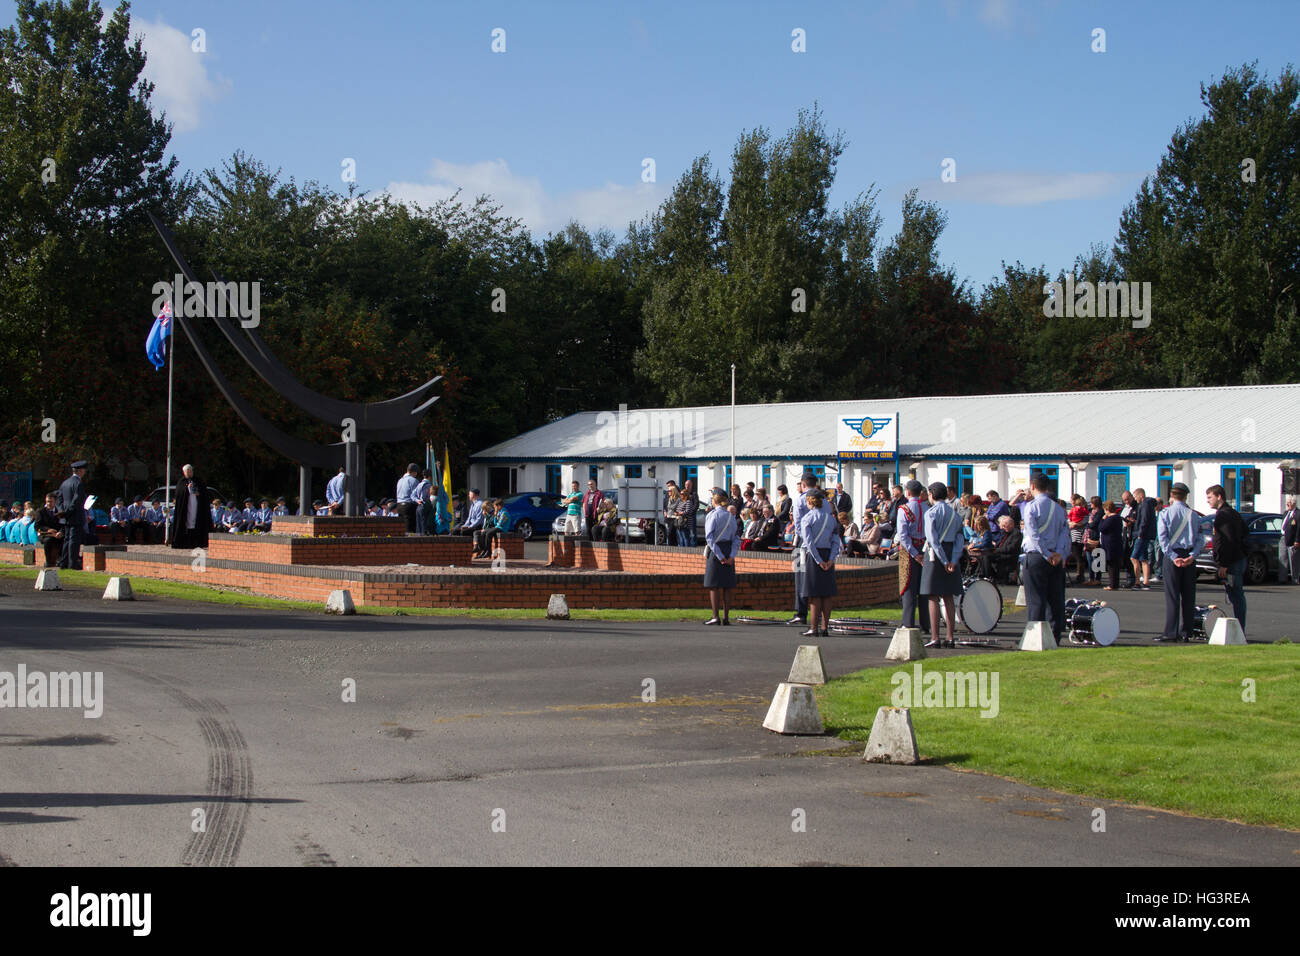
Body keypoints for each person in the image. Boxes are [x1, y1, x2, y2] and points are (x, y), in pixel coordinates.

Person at [1021, 473, 1068, 644]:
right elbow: (1064, 533)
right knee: (1055, 599)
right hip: (1056, 556)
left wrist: (1047, 554)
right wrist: (1059, 553)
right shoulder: (1058, 508)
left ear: (1032, 486)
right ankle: (1054, 637)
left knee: (1036, 600)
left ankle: (1035, 639)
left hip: (1037, 556)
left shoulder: (1031, 507)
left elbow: (1033, 535)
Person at [1155, 483, 1204, 642]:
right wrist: (1192, 556)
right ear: (1185, 496)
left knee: (1172, 596)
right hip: (1189, 555)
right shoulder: (1194, 515)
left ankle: (1171, 632)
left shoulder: (1165, 513)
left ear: (1172, 495)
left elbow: (1162, 539)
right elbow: (1200, 539)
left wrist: (1173, 556)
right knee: (1189, 596)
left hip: (1172, 556)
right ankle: (1187, 632)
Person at [920, 483, 964, 648]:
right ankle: (950, 637)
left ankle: (935, 637)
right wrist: (953, 559)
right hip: (952, 550)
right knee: (948, 596)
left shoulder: (931, 513)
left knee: (932, 595)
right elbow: (960, 539)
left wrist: (944, 560)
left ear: (931, 494)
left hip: (936, 555)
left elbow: (932, 539)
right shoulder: (955, 514)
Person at [798, 489, 841, 638]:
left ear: (809, 502)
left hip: (814, 556)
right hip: (828, 554)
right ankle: (825, 627)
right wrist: (830, 559)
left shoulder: (807, 518)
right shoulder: (831, 519)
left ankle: (813, 627)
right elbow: (836, 540)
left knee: (814, 594)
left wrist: (819, 560)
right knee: (827, 593)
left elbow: (808, 542)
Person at [1205, 484, 1247, 633]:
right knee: (1236, 596)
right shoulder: (1233, 512)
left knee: (1236, 597)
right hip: (1238, 558)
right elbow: (1244, 532)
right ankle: (1239, 628)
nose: (1208, 501)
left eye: (1210, 497)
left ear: (1219, 497)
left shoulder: (1223, 514)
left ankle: (1239, 631)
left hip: (1232, 561)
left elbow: (1228, 540)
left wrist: (1224, 564)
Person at [895, 479, 931, 632]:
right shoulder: (927, 507)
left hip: (910, 551)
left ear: (908, 492)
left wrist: (915, 554)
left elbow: (903, 535)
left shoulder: (904, 509)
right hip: (925, 548)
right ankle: (926, 623)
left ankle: (908, 621)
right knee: (924, 587)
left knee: (908, 585)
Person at [702, 490, 740, 625]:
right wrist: (731, 556)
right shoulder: (731, 516)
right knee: (727, 586)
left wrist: (719, 555)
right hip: (728, 549)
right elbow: (736, 538)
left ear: (715, 500)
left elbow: (709, 538)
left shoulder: (712, 515)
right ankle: (726, 617)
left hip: (716, 550)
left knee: (713, 585)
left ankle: (715, 616)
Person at [787, 475, 817, 626]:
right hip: (819, 543)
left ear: (803, 484)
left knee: (800, 576)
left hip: (802, 543)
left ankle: (801, 612)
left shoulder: (800, 500)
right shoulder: (823, 500)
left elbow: (798, 525)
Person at [169, 464, 212, 549]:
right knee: (186, 521)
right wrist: (186, 489)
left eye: (191, 471)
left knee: (196, 521)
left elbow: (205, 493)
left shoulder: (198, 481)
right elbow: (179, 494)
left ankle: (197, 542)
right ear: (184, 472)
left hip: (196, 505)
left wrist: (198, 493)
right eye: (187, 471)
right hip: (186, 506)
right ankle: (184, 542)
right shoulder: (181, 482)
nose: (190, 473)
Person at [57, 459, 89, 569]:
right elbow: (77, 500)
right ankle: (72, 563)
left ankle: (64, 562)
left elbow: (59, 499)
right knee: (74, 540)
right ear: (80, 471)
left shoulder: (65, 482)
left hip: (66, 517)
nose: (84, 472)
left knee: (67, 539)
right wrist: (68, 512)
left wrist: (62, 512)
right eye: (84, 470)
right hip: (74, 515)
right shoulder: (78, 483)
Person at [1131, 488, 1157, 589]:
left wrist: (1140, 533)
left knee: (1134, 557)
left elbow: (1144, 520)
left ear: (1140, 495)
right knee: (1144, 559)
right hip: (1145, 534)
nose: (1135, 499)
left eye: (1135, 496)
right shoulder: (1148, 504)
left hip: (1142, 534)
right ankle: (1146, 582)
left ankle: (1137, 582)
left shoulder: (1145, 504)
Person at [1098, 501, 1125, 590]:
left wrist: (1102, 519)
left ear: (1107, 509)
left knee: (1111, 565)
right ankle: (1114, 584)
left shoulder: (1111, 518)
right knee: (1114, 565)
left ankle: (1112, 585)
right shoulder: (1118, 518)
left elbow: (1101, 528)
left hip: (1110, 544)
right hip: (1116, 543)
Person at [35, 493, 63, 567]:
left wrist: (60, 532)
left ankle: (61, 559)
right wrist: (48, 530)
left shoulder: (59, 512)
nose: (48, 503)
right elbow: (37, 526)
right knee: (48, 540)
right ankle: (48, 561)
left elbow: (63, 524)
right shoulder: (41, 512)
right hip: (45, 534)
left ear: (55, 502)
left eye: (50, 501)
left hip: (57, 534)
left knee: (64, 539)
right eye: (47, 501)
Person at [395, 463, 420, 533]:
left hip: (399, 506)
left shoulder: (399, 480)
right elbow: (416, 495)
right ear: (414, 472)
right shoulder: (414, 480)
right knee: (410, 530)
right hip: (409, 506)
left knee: (402, 529)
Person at [1283, 496, 1300, 584]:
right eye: (1287, 502)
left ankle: (1295, 579)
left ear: (1293, 503)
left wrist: (1297, 540)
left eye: (1289, 502)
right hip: (1283, 538)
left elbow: (1299, 529)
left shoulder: (1298, 514)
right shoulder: (1286, 513)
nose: (1287, 504)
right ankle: (1283, 578)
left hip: (1292, 540)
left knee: (1293, 560)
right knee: (1283, 558)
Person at [680, 480, 699, 546]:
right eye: (686, 485)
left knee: (692, 531)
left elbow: (696, 504)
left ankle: (693, 545)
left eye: (688, 485)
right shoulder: (683, 493)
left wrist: (691, 512)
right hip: (683, 517)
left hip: (691, 516)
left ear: (691, 486)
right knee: (684, 533)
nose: (687, 486)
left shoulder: (694, 494)